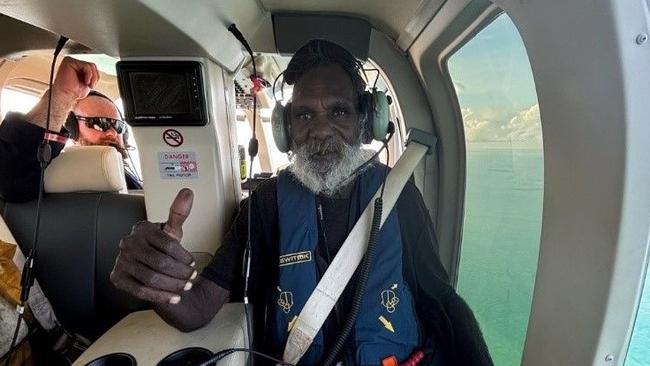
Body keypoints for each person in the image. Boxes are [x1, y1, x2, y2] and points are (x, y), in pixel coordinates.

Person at [110, 40, 493, 365]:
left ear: (366, 122)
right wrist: (158, 283)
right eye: (304, 114)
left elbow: (440, 298)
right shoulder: (264, 205)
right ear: (285, 131)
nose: (321, 128)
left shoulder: (398, 193)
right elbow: (197, 308)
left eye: (339, 111)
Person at [0, 56, 142, 202]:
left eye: (118, 126)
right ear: (72, 130)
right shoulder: (49, 175)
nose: (112, 132)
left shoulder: (131, 182)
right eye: (99, 123)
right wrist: (63, 95)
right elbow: (10, 174)